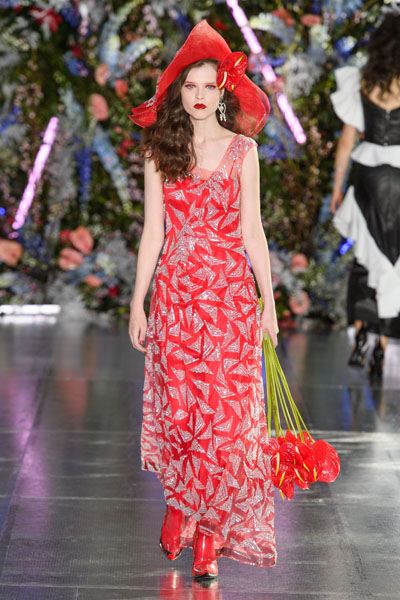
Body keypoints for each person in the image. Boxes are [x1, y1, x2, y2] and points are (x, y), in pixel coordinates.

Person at [128, 20, 278, 580]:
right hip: (176, 296)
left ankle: (208, 536)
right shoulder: (159, 151)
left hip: (230, 299)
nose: (198, 95)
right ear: (178, 92)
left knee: (226, 419)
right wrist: (138, 302)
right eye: (189, 85)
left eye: (209, 86)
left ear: (223, 92)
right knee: (182, 411)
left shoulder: (244, 151)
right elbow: (152, 232)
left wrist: (268, 302)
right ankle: (179, 503)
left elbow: (253, 231)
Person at [330, 13, 400, 379]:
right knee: (394, 262)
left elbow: (346, 142)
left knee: (364, 259)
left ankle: (360, 331)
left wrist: (337, 188)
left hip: (367, 173)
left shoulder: (361, 81)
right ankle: (383, 344)